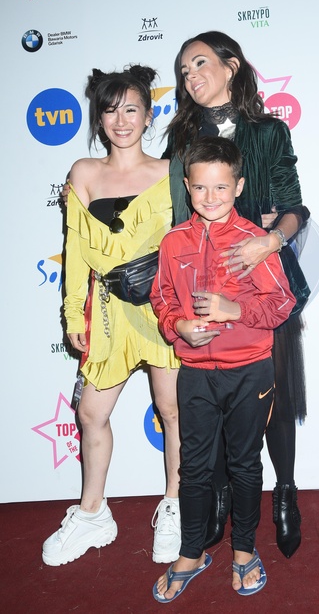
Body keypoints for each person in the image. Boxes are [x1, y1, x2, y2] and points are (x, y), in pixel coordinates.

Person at [162, 31, 310, 559]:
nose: (190, 76)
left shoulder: (269, 131)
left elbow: (295, 208)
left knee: (275, 397)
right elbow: (174, 214)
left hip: (262, 282)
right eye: (183, 70)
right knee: (213, 400)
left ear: (231, 66)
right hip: (204, 292)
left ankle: (285, 492)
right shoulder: (181, 138)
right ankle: (220, 496)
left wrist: (269, 241)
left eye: (199, 63)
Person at [42, 65, 181, 567]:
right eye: (110, 110)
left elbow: (187, 246)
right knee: (91, 413)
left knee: (173, 411)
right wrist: (71, 315)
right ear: (99, 119)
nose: (121, 120)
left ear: (148, 115)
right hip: (106, 312)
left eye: (131, 109)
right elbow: (76, 249)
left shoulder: (171, 172)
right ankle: (93, 513)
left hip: (162, 307)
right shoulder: (84, 173)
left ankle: (177, 505)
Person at [150, 136, 295, 602]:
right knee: (193, 469)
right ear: (186, 186)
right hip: (195, 373)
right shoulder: (173, 242)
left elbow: (282, 304)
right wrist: (178, 327)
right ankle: (191, 553)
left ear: (239, 186)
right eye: (200, 188)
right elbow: (162, 298)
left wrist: (234, 310)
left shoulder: (253, 243)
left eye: (220, 187)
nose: (210, 197)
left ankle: (244, 550)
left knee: (245, 465)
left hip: (250, 371)